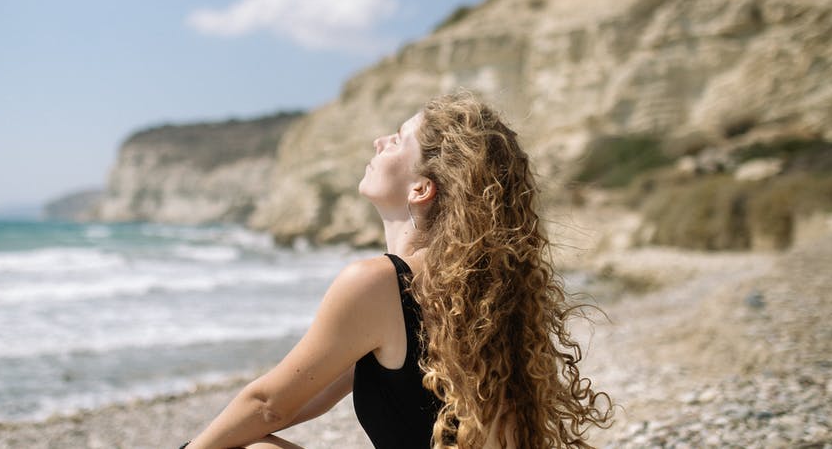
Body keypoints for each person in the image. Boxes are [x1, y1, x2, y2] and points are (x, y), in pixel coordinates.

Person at [183, 91, 611, 449]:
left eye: (398, 140)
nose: (378, 141)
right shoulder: (473, 295)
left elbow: (268, 405)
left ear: (421, 188)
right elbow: (303, 398)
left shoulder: (377, 282)